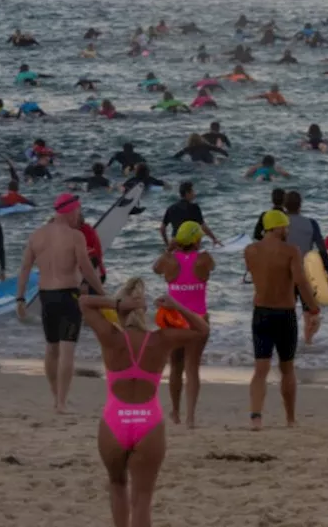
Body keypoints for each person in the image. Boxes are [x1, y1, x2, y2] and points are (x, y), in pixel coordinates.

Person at [79, 279, 209, 527]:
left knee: (117, 486)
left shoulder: (110, 336)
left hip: (114, 421)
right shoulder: (160, 340)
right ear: (145, 311)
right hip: (148, 424)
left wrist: (116, 302)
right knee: (142, 498)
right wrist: (176, 305)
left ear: (120, 308)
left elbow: (84, 302)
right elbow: (202, 330)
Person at [16, 194, 108, 412]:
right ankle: (62, 403)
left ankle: (55, 395)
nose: (79, 215)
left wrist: (20, 298)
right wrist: (103, 293)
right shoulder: (75, 236)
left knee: (51, 348)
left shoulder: (36, 236)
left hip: (46, 296)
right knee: (67, 350)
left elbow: (25, 268)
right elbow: (86, 268)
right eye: (78, 211)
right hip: (69, 295)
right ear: (70, 211)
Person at [244, 210, 319, 430]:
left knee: (260, 369)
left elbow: (256, 274)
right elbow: (300, 282)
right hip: (284, 314)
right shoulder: (291, 251)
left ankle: (256, 417)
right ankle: (290, 419)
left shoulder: (250, 250)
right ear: (276, 227)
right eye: (285, 227)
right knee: (287, 369)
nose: (287, 231)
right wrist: (313, 308)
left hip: (261, 313)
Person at [152, 222, 214, 429]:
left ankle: (176, 412)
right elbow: (211, 268)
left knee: (176, 366)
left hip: (174, 320)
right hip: (198, 319)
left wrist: (169, 250)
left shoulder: (169, 261)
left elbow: (154, 268)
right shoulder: (205, 259)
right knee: (192, 367)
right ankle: (190, 417)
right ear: (196, 239)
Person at [283, 190, 328, 344]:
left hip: (285, 273)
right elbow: (322, 248)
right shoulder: (311, 223)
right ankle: (308, 342)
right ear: (300, 205)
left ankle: (287, 342)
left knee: (287, 311)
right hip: (305, 274)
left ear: (285, 205)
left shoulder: (280, 224)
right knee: (311, 312)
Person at [160, 182, 220, 247]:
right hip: (190, 245)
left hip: (175, 243)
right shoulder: (194, 207)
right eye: (192, 191)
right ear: (187, 193)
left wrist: (167, 244)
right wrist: (214, 239)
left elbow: (162, 229)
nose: (194, 193)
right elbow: (203, 226)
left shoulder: (171, 208)